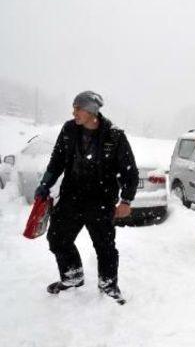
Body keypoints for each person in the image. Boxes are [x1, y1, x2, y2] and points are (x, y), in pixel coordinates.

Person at [35, 91, 139, 304]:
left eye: (77, 108)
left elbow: (130, 172)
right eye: (73, 108)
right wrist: (45, 184)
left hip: (101, 200)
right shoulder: (69, 130)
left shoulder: (114, 136)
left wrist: (126, 200)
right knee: (57, 238)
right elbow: (57, 161)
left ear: (92, 111)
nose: (73, 112)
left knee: (105, 246)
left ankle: (108, 285)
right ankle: (72, 276)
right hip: (71, 197)